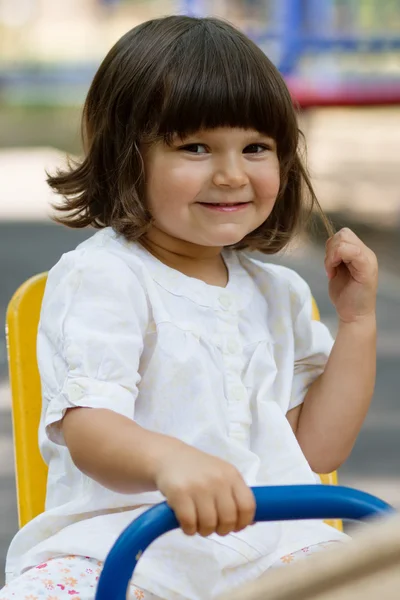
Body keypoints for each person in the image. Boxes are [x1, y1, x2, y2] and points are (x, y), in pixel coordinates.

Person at [1, 14, 378, 600]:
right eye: (196, 147)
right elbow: (89, 426)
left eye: (256, 147)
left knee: (372, 581)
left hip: (277, 544)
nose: (231, 174)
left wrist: (357, 322)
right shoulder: (106, 277)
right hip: (125, 548)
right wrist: (169, 461)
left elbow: (317, 449)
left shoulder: (281, 293)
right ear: (127, 157)